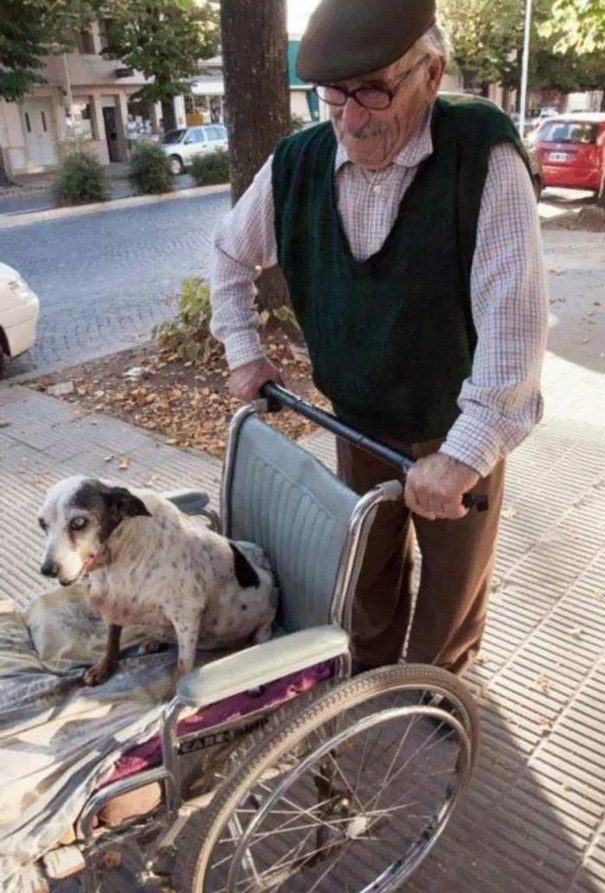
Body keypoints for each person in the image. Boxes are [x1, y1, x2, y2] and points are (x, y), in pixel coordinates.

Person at [209, 0, 548, 678]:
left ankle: (434, 686)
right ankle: (366, 674)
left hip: (454, 421)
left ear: (431, 71)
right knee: (365, 564)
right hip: (358, 416)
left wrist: (462, 456)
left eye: (373, 90)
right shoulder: (297, 161)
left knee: (452, 581)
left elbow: (515, 327)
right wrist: (244, 351)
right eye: (333, 96)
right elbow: (226, 254)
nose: (351, 118)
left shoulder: (480, 155)